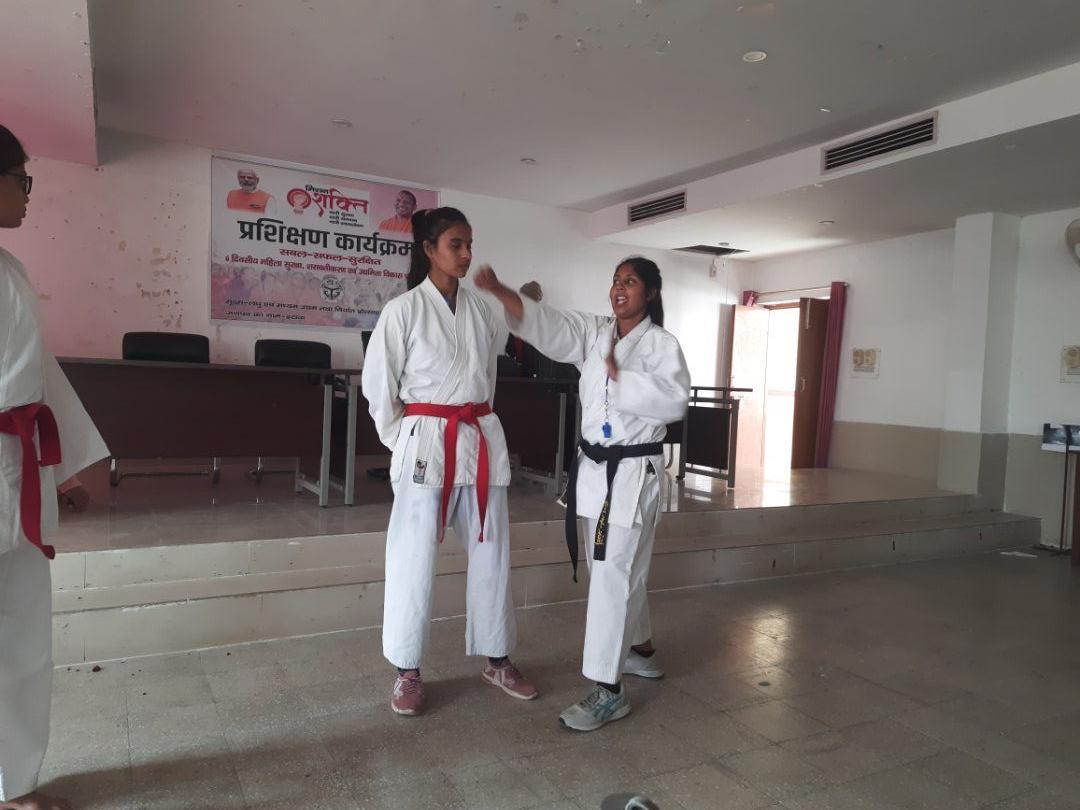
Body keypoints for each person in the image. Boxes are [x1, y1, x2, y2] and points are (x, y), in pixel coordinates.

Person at [475, 257, 689, 732]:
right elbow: (548, 324)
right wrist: (502, 289)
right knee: (613, 568)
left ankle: (608, 690)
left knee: (613, 574)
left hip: (630, 473)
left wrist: (622, 377)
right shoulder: (596, 333)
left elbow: (675, 401)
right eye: (615, 280)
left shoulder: (662, 345)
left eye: (630, 281)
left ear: (651, 293)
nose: (619, 287)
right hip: (596, 470)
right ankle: (641, 651)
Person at [361, 207, 537, 716]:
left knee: (492, 551)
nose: (465, 254)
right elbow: (379, 388)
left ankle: (497, 658)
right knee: (412, 557)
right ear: (429, 249)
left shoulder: (482, 311)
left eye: (469, 245)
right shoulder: (403, 310)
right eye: (455, 244)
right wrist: (406, 439)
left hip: (477, 438)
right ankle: (407, 669)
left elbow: (487, 379)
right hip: (425, 443)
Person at [1, 125, 109, 810]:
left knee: (21, 635)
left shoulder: (11, 270)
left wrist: (65, 467)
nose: (28, 193)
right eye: (21, 179)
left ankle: (12, 784)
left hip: (17, 471)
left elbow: (37, 376)